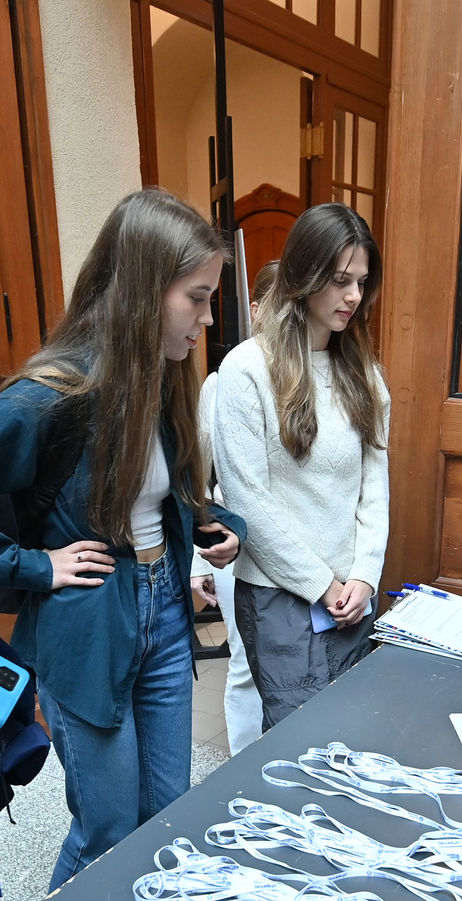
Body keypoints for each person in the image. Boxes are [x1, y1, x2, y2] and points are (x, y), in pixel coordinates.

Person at [0, 188, 246, 887]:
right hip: (86, 623)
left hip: (165, 613)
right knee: (107, 831)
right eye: (198, 298)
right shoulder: (56, 391)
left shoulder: (161, 380)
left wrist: (216, 523)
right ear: (145, 291)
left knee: (167, 812)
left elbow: (156, 495)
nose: (208, 319)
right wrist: (29, 565)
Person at [208, 203, 391, 730]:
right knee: (297, 742)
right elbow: (246, 499)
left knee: (353, 732)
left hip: (352, 596)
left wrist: (364, 576)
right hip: (280, 596)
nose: (353, 297)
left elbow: (374, 490)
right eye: (340, 281)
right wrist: (321, 584)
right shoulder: (247, 368)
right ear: (305, 276)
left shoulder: (364, 374)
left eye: (361, 283)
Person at [191, 260, 279, 755]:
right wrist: (196, 562)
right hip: (235, 545)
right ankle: (242, 772)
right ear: (257, 309)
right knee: (246, 663)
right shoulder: (221, 383)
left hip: (301, 549)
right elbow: (197, 480)